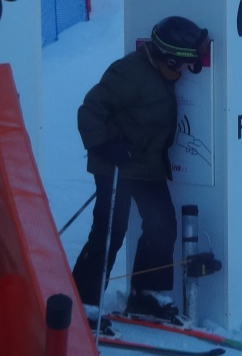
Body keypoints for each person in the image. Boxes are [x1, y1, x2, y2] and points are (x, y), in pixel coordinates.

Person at [71, 16, 205, 322]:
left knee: (162, 226)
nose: (187, 70)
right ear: (170, 59)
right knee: (110, 231)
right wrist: (105, 144)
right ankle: (84, 303)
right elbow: (90, 110)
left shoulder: (161, 74)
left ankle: (146, 294)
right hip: (115, 164)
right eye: (184, 63)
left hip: (145, 165)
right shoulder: (130, 72)